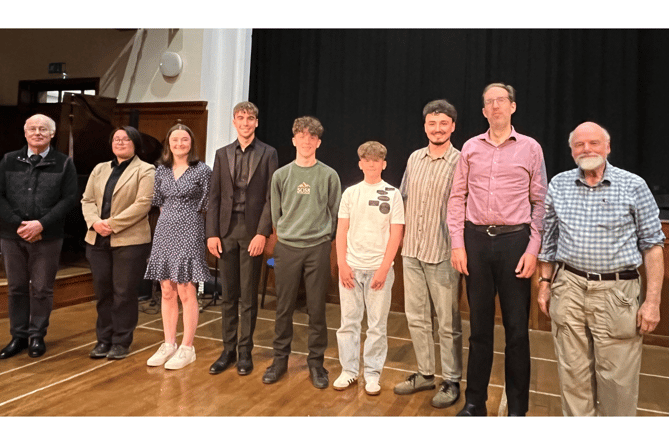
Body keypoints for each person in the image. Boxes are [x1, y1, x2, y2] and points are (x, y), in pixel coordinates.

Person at [537, 122, 665, 416]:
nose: (587, 150)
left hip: (617, 295)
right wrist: (545, 284)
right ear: (571, 151)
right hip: (568, 288)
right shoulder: (559, 184)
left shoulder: (633, 185)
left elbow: (653, 245)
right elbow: (550, 239)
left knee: (617, 383)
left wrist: (653, 301)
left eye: (594, 143)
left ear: (607, 147)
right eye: (579, 145)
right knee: (573, 379)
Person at [447, 83, 547, 416]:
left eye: (501, 101)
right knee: (479, 330)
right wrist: (458, 244)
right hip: (475, 243)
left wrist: (533, 248)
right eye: (489, 102)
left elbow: (540, 203)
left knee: (517, 331)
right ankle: (475, 402)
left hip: (515, 244)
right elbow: (457, 198)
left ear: (512, 107)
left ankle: (518, 408)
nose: (496, 107)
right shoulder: (470, 148)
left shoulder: (531, 148)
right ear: (484, 111)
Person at [393, 100, 464, 409]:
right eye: (432, 124)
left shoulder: (462, 161)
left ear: (452, 126)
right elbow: (403, 198)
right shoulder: (414, 158)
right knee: (417, 318)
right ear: (425, 126)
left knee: (448, 323)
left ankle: (451, 380)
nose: (437, 129)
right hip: (412, 251)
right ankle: (425, 374)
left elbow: (465, 207)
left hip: (444, 253)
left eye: (443, 124)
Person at [263, 116, 341, 389]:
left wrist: (322, 239)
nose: (306, 141)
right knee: (283, 307)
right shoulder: (281, 175)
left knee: (317, 309)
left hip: (318, 248)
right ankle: (280, 360)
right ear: (293, 139)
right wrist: (286, 235)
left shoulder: (329, 175)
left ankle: (316, 363)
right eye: (301, 136)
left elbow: (334, 212)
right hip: (287, 248)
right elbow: (276, 214)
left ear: (318, 142)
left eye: (312, 137)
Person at [207, 102, 278, 376]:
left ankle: (245, 352)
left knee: (248, 297)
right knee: (229, 295)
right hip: (225, 231)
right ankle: (228, 351)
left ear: (256, 123)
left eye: (250, 118)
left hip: (252, 233)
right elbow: (214, 197)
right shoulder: (222, 154)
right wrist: (212, 233)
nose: (245, 123)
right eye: (240, 118)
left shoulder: (268, 153)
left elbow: (272, 197)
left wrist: (262, 232)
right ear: (234, 122)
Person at [0, 114, 78, 359]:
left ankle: (36, 336)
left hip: (49, 237)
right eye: (32, 129)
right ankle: (18, 336)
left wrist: (41, 224)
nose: (37, 133)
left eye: (43, 129)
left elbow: (69, 199)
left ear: (52, 134)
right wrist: (19, 224)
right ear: (25, 133)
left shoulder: (64, 163)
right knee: (16, 288)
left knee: (42, 289)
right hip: (12, 236)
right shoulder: (8, 160)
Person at [334, 141, 404, 396]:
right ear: (360, 163)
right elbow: (342, 230)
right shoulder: (350, 193)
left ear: (384, 164)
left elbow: (396, 234)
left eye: (377, 160)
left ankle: (373, 374)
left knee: (376, 326)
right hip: (352, 268)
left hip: (379, 270)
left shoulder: (393, 194)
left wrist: (384, 268)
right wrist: (342, 264)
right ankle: (349, 370)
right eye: (367, 159)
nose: (372, 163)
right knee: (348, 323)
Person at [81, 126, 155, 360]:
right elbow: (87, 200)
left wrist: (111, 224)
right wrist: (95, 222)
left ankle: (121, 341)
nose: (120, 143)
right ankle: (103, 340)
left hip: (129, 240)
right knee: (103, 292)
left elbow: (143, 203)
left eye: (125, 139)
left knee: (123, 293)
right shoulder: (99, 169)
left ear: (135, 144)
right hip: (97, 238)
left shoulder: (146, 170)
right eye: (116, 139)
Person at [144, 124, 211, 370]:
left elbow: (207, 203)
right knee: (166, 288)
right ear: (168, 143)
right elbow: (159, 202)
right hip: (164, 229)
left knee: (185, 289)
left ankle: (187, 347)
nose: (180, 144)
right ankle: (169, 343)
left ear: (191, 143)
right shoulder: (161, 170)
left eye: (185, 139)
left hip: (190, 228)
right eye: (175, 139)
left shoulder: (202, 170)